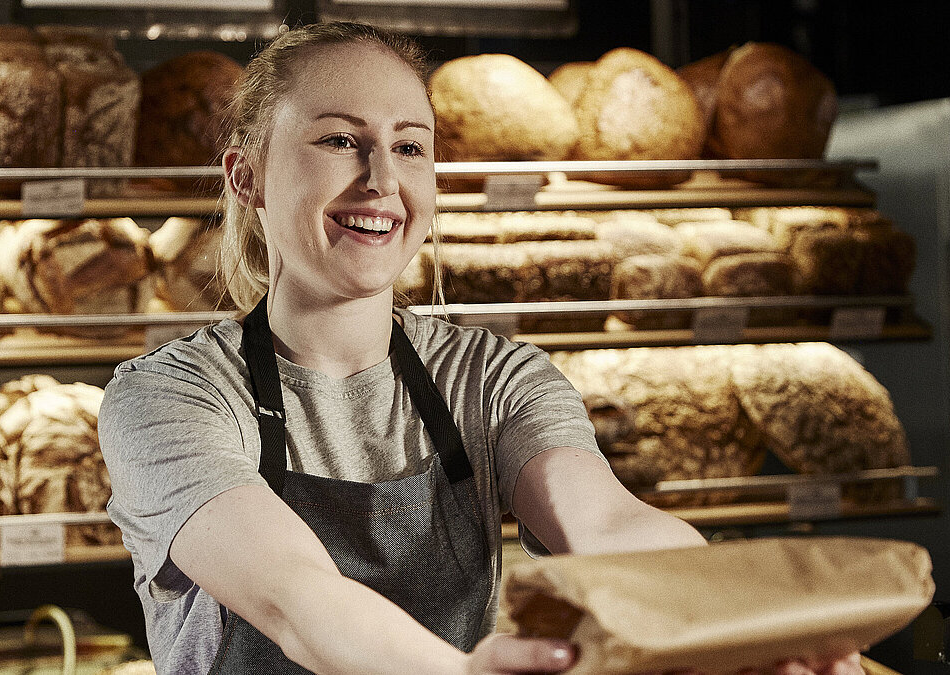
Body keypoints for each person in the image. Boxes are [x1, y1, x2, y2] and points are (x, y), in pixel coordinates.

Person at [99, 22, 864, 675]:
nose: (381, 179)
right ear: (247, 176)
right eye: (339, 140)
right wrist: (460, 671)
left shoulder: (493, 376)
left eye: (409, 146)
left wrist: (742, 618)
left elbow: (606, 525)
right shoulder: (168, 397)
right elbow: (293, 594)